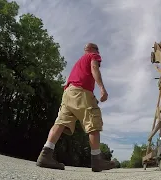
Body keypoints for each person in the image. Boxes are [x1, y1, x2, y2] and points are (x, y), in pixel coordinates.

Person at [36, 43, 115, 172]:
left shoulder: (79, 62)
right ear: (92, 50)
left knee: (60, 123)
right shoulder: (93, 56)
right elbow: (94, 67)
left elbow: (79, 79)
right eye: (97, 50)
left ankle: (45, 154)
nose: (98, 54)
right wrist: (102, 88)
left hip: (68, 93)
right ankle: (97, 160)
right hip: (80, 92)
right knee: (93, 121)